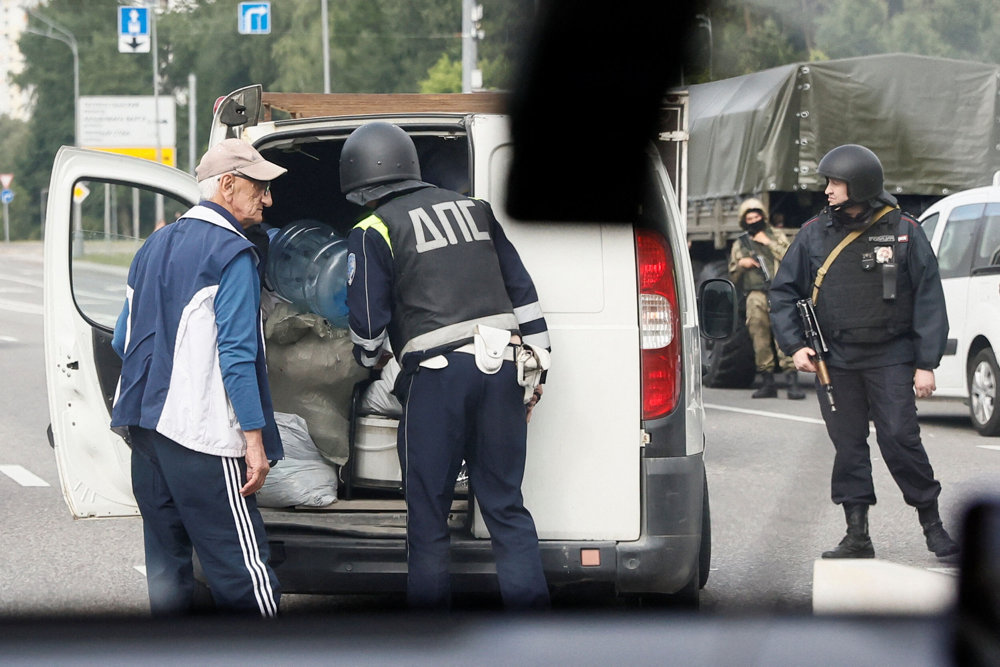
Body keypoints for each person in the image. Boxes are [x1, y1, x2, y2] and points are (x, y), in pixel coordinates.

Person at [340, 122, 551, 610]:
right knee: (504, 505)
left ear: (359, 182)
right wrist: (537, 373)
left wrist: (370, 361)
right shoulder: (475, 210)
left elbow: (369, 320)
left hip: (437, 379)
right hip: (503, 369)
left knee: (429, 514)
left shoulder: (373, 227)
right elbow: (523, 293)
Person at [110, 139, 287, 615]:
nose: (267, 200)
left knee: (168, 570)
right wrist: (254, 439)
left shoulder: (154, 244)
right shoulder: (232, 252)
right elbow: (237, 355)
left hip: (145, 434)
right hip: (202, 437)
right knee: (242, 570)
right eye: (260, 188)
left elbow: (121, 340)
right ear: (227, 185)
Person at [769, 144, 959, 560]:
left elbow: (929, 298)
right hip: (835, 359)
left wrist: (925, 364)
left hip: (890, 355)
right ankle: (857, 535)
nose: (828, 191)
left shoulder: (905, 229)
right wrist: (796, 346)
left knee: (899, 438)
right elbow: (783, 292)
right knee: (849, 446)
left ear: (860, 185)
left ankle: (933, 525)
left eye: (836, 182)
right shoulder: (813, 233)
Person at [728, 198, 803, 399]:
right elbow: (732, 276)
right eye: (749, 218)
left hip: (778, 293)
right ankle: (767, 381)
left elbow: (790, 256)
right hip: (755, 296)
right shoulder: (740, 244)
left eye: (757, 216)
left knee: (784, 335)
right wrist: (741, 265)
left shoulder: (776, 236)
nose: (754, 220)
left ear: (763, 216)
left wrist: (768, 243)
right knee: (759, 337)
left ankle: (792, 382)